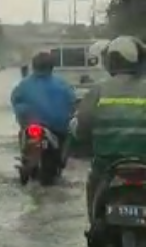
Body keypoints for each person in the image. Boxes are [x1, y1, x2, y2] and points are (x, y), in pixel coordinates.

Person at [73, 36, 146, 221]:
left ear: (110, 62)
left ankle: (94, 227)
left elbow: (82, 127)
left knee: (93, 186)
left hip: (106, 165)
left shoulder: (98, 91)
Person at [10, 51, 76, 165]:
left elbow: (15, 100)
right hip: (58, 127)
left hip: (30, 125)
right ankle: (62, 160)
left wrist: (21, 116)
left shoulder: (24, 84)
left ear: (34, 66)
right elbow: (72, 101)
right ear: (51, 67)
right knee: (69, 134)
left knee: (23, 134)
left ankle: (25, 158)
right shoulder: (62, 84)